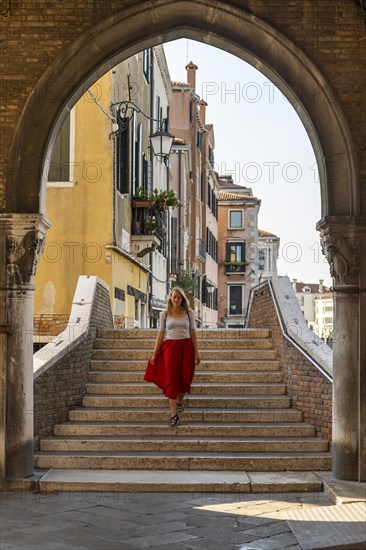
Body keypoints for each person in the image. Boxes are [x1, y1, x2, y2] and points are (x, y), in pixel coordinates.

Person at [144, 287, 200, 427]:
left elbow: (193, 332)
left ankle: (180, 402)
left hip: (186, 347)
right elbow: (160, 334)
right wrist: (155, 353)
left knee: (185, 378)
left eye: (179, 297)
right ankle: (173, 415)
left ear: (182, 299)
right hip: (169, 348)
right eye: (174, 297)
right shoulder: (164, 314)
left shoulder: (189, 312)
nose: (176, 299)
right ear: (170, 298)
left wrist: (196, 352)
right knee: (171, 379)